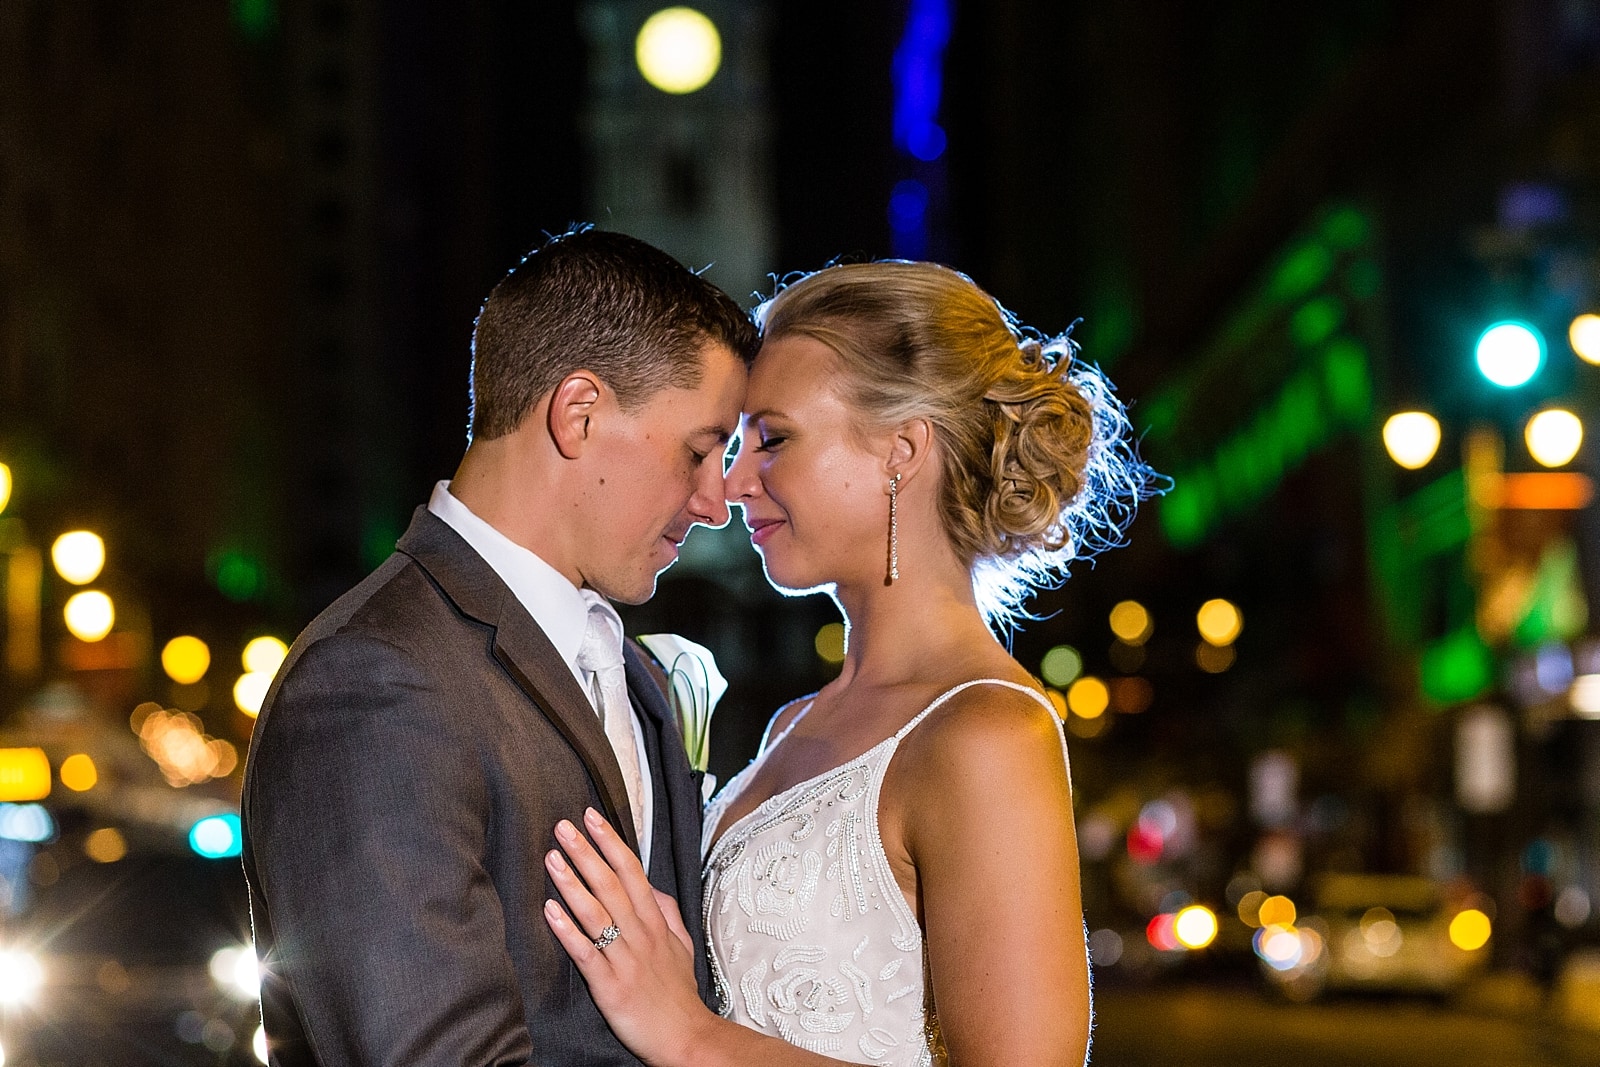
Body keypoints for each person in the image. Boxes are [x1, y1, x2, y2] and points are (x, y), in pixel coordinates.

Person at [540, 260, 1155, 1066]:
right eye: (735, 443)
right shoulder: (794, 721)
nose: (731, 483)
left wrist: (691, 1034)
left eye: (774, 438)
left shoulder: (987, 731)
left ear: (901, 450)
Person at [240, 228, 758, 1066]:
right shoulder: (375, 679)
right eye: (700, 451)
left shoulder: (639, 676)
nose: (715, 501)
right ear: (578, 412)